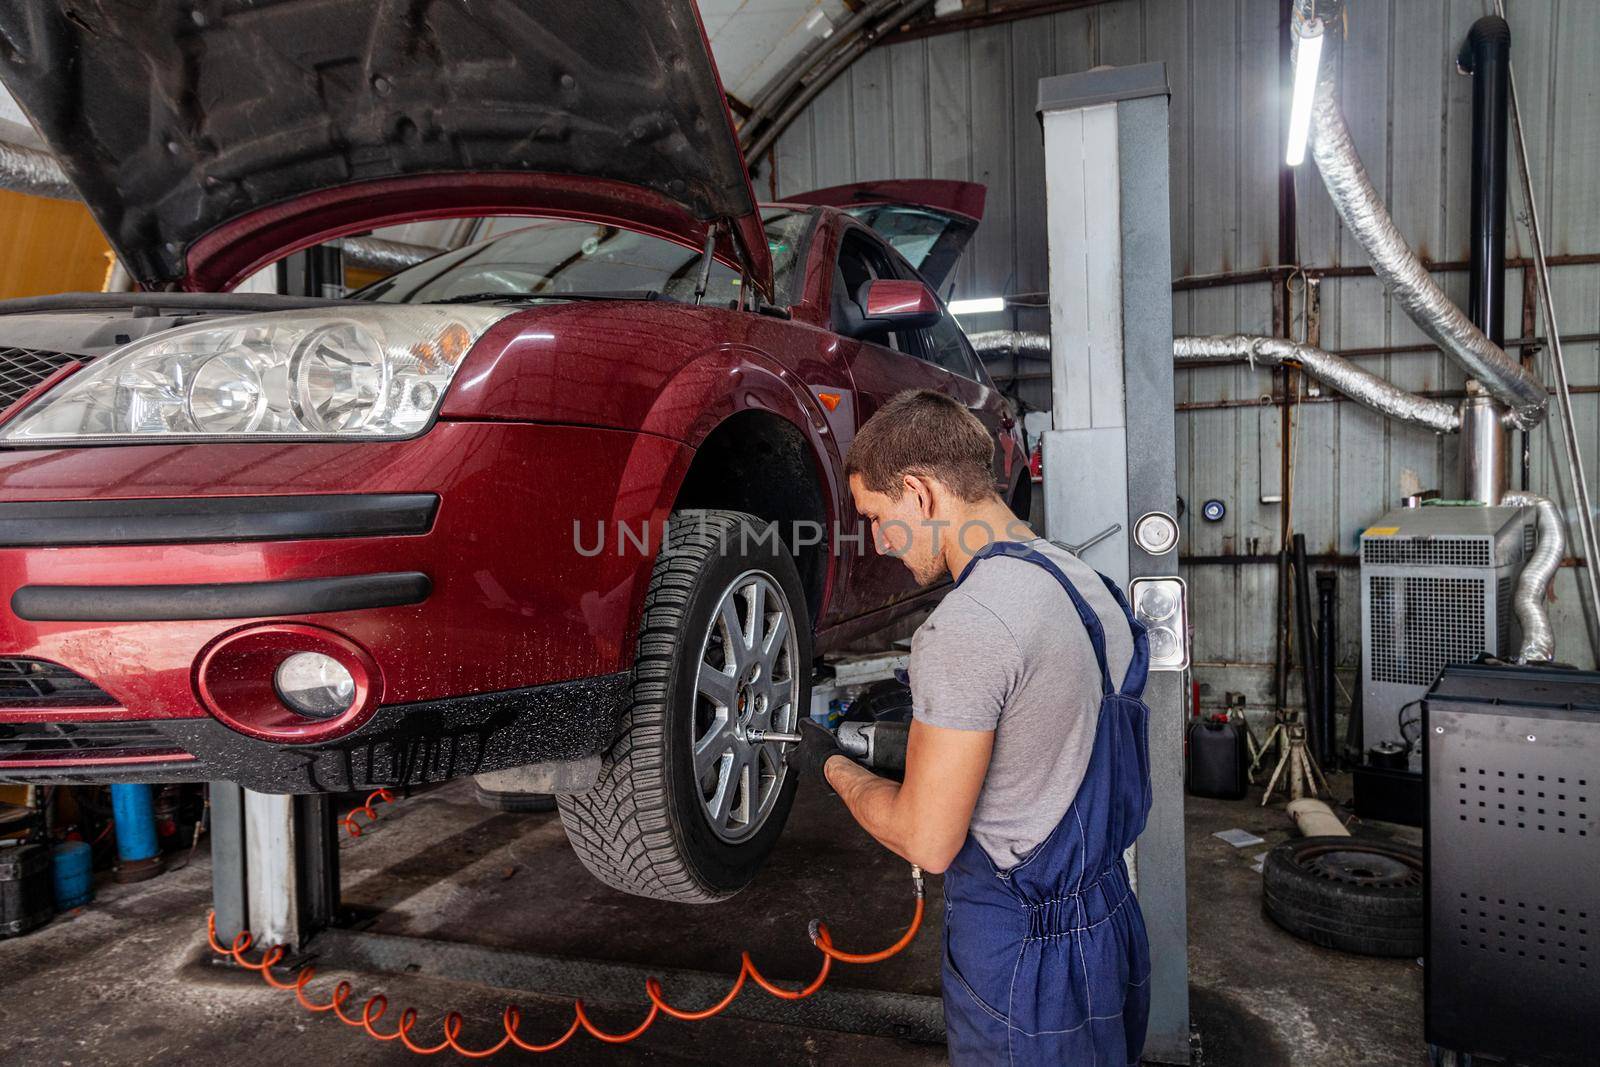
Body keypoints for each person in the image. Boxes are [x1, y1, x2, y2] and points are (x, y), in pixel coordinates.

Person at [793, 388, 1153, 1066]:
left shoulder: (968, 625)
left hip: (1026, 957)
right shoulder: (1087, 582)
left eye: (878, 515)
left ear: (920, 492)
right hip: (1111, 923)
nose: (877, 542)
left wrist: (831, 768)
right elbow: (1053, 741)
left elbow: (927, 840)